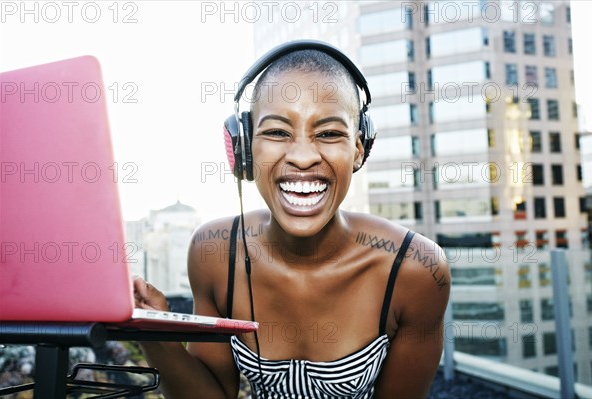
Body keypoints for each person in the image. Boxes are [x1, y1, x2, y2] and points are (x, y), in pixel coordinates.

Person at [133, 40, 450, 399]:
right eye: (277, 132)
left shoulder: (416, 268)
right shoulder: (214, 251)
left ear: (359, 148)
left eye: (329, 133)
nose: (301, 157)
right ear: (244, 149)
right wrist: (155, 333)